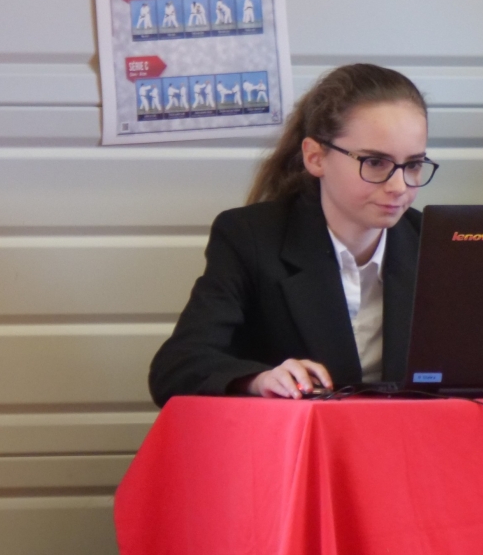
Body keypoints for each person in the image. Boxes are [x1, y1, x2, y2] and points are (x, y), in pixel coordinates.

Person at [148, 64, 436, 403]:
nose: (399, 186)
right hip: (296, 434)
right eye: (375, 162)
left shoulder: (437, 245)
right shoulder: (251, 238)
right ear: (315, 157)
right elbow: (176, 368)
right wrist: (257, 380)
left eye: (413, 165)